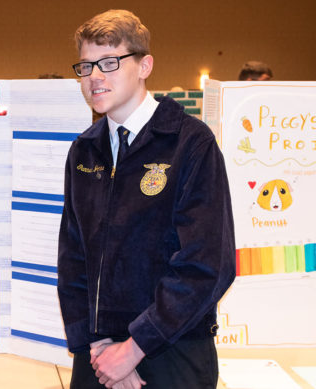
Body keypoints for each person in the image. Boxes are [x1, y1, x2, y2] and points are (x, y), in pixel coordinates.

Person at [57, 9, 236, 389]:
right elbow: (73, 260)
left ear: (144, 65)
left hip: (173, 351)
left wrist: (134, 348)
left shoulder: (190, 144)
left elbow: (207, 264)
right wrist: (99, 345)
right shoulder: (84, 152)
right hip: (98, 356)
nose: (95, 77)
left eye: (109, 62)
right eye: (86, 66)